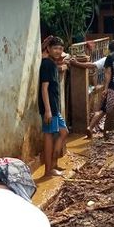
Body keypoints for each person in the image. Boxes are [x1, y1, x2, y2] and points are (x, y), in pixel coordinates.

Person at [38, 37, 69, 177]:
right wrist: (48, 111)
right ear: (48, 49)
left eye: (60, 49)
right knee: (49, 136)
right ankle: (48, 170)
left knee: (64, 132)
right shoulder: (47, 65)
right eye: (55, 48)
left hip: (54, 108)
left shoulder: (52, 63)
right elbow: (44, 88)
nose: (58, 51)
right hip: (50, 108)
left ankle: (54, 164)